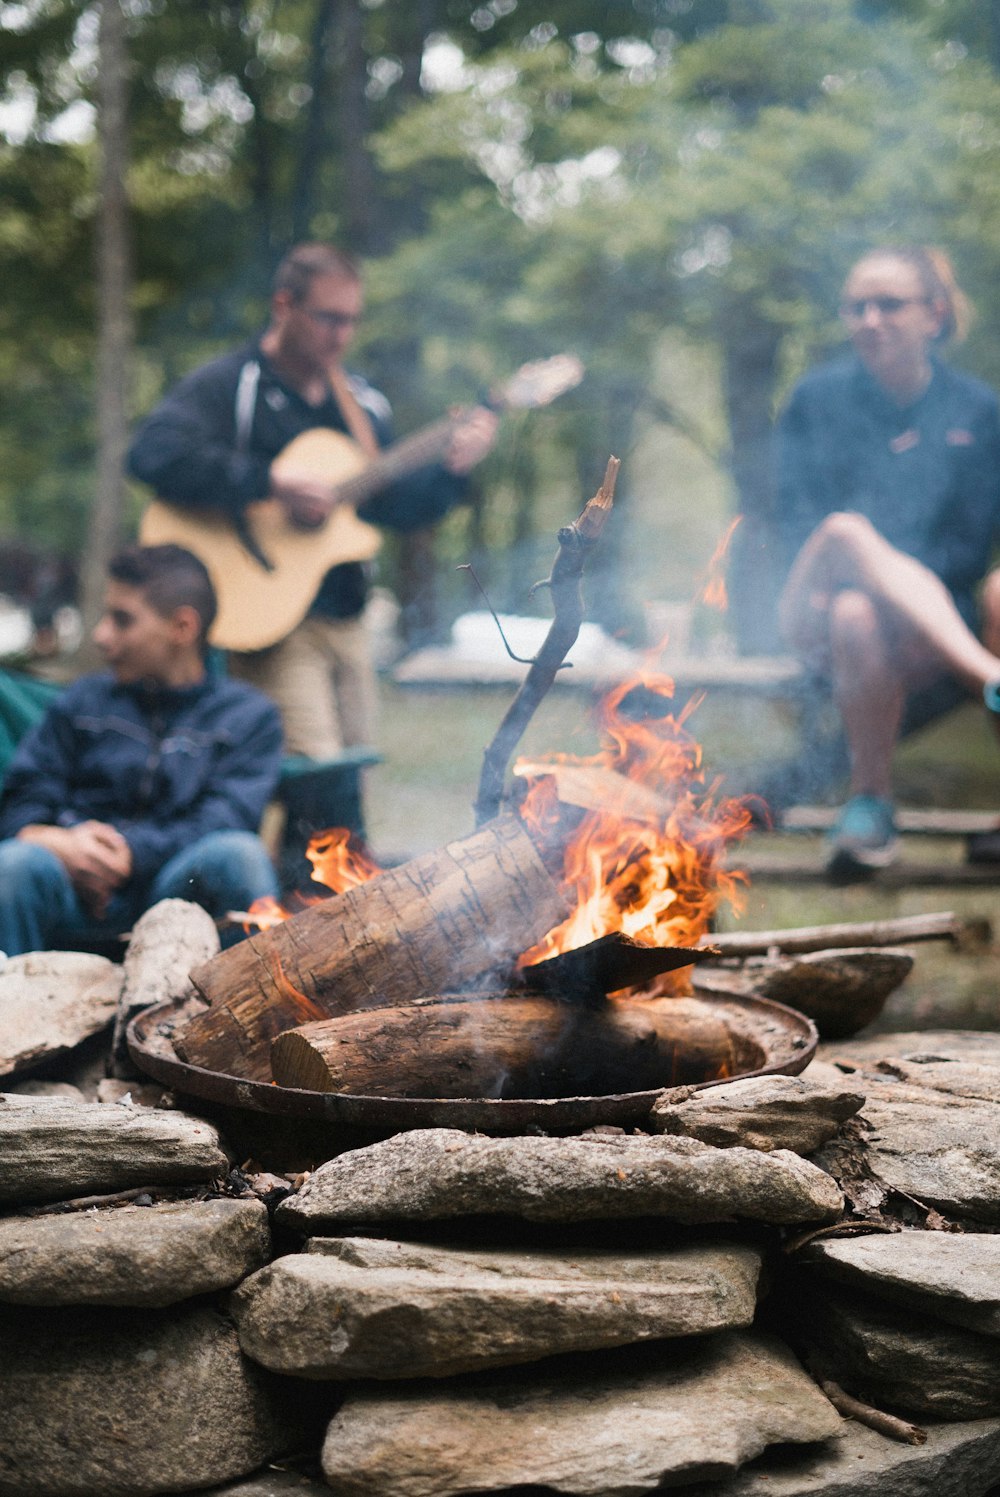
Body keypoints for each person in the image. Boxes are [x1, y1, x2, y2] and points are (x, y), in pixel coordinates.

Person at [126, 242, 498, 761]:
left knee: (355, 769)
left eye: (352, 321)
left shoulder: (362, 404)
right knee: (316, 771)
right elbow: (151, 454)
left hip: (347, 619)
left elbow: (392, 509)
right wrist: (268, 482)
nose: (341, 335)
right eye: (328, 318)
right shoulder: (233, 384)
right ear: (284, 306)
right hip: (269, 620)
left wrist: (452, 472)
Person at [773, 246, 1000, 881]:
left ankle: (870, 815)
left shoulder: (977, 412)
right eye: (857, 307)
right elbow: (797, 528)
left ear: (934, 314)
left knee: (995, 592)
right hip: (814, 607)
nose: (870, 319)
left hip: (921, 629)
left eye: (889, 304)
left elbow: (970, 549)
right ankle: (990, 676)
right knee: (848, 546)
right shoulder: (816, 400)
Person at [0, 544, 283, 956]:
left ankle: (260, 1016)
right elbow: (22, 800)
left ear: (182, 627)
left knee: (240, 856)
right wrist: (60, 843)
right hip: (73, 890)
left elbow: (226, 818)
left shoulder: (248, 717)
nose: (101, 636)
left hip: (175, 893)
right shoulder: (82, 701)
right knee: (14, 864)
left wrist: (131, 853)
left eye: (122, 620)